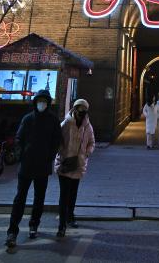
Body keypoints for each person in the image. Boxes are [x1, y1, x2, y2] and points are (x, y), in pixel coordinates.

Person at [6, 90, 62, 249]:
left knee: (39, 198)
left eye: (44, 101)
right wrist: (20, 155)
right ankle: (12, 232)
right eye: (40, 101)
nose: (42, 104)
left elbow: (56, 140)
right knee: (19, 199)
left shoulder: (52, 120)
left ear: (48, 103)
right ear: (36, 102)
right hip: (26, 165)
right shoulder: (28, 119)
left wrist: (49, 156)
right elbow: (19, 138)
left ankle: (34, 224)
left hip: (43, 166)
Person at [55, 98, 95, 238]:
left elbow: (91, 142)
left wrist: (86, 153)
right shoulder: (66, 123)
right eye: (79, 109)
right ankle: (62, 225)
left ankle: (70, 216)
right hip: (65, 163)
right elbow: (58, 139)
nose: (81, 112)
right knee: (64, 195)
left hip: (78, 165)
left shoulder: (87, 126)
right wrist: (62, 152)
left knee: (73, 194)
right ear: (75, 108)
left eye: (83, 110)